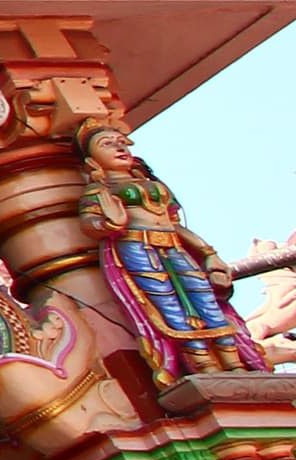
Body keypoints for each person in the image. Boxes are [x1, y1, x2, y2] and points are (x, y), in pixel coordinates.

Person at [78, 122, 266, 379]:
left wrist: (210, 254)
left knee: (204, 300)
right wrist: (106, 223)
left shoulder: (157, 187)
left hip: (174, 247)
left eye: (121, 141)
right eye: (107, 144)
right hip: (136, 248)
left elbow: (175, 225)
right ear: (91, 159)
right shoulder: (100, 191)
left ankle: (234, 363)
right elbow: (90, 224)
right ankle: (205, 367)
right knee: (167, 306)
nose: (120, 147)